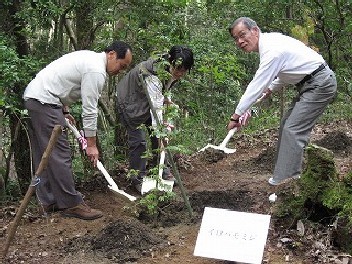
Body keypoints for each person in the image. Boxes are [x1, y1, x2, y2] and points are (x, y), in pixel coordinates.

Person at [23, 41, 133, 220]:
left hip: (37, 98)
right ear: (112, 54)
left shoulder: (89, 58)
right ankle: (71, 204)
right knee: (60, 153)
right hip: (45, 100)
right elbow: (89, 109)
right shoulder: (96, 70)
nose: (119, 71)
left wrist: (64, 110)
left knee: (46, 153)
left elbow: (62, 82)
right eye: (121, 66)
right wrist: (91, 144)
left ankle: (49, 200)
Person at [227, 17, 337, 185]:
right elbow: (293, 68)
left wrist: (236, 115)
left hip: (320, 83)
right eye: (236, 39)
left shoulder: (272, 50)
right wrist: (271, 88)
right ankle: (285, 174)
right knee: (287, 123)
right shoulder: (271, 43)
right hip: (311, 82)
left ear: (255, 30)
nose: (240, 41)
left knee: (293, 128)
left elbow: (257, 84)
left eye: (243, 35)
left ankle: (287, 181)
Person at [115, 45, 194, 193]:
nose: (180, 73)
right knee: (140, 142)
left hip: (146, 98)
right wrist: (162, 133)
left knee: (158, 138)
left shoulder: (168, 69)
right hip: (129, 101)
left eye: (184, 70)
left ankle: (162, 169)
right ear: (171, 63)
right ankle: (138, 179)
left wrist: (167, 103)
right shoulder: (152, 74)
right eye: (178, 69)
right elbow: (156, 108)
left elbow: (164, 91)